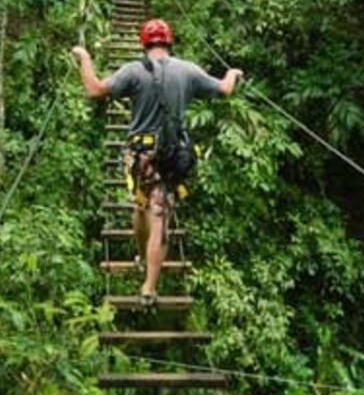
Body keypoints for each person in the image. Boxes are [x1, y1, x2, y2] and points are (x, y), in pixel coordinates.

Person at [72, 19, 243, 304]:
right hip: (172, 154)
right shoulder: (188, 70)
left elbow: (94, 90)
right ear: (169, 42)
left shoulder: (133, 70)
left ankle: (141, 257)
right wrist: (233, 73)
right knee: (159, 215)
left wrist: (85, 58)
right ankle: (149, 288)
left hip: (140, 155)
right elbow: (225, 90)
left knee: (140, 205)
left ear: (144, 43)